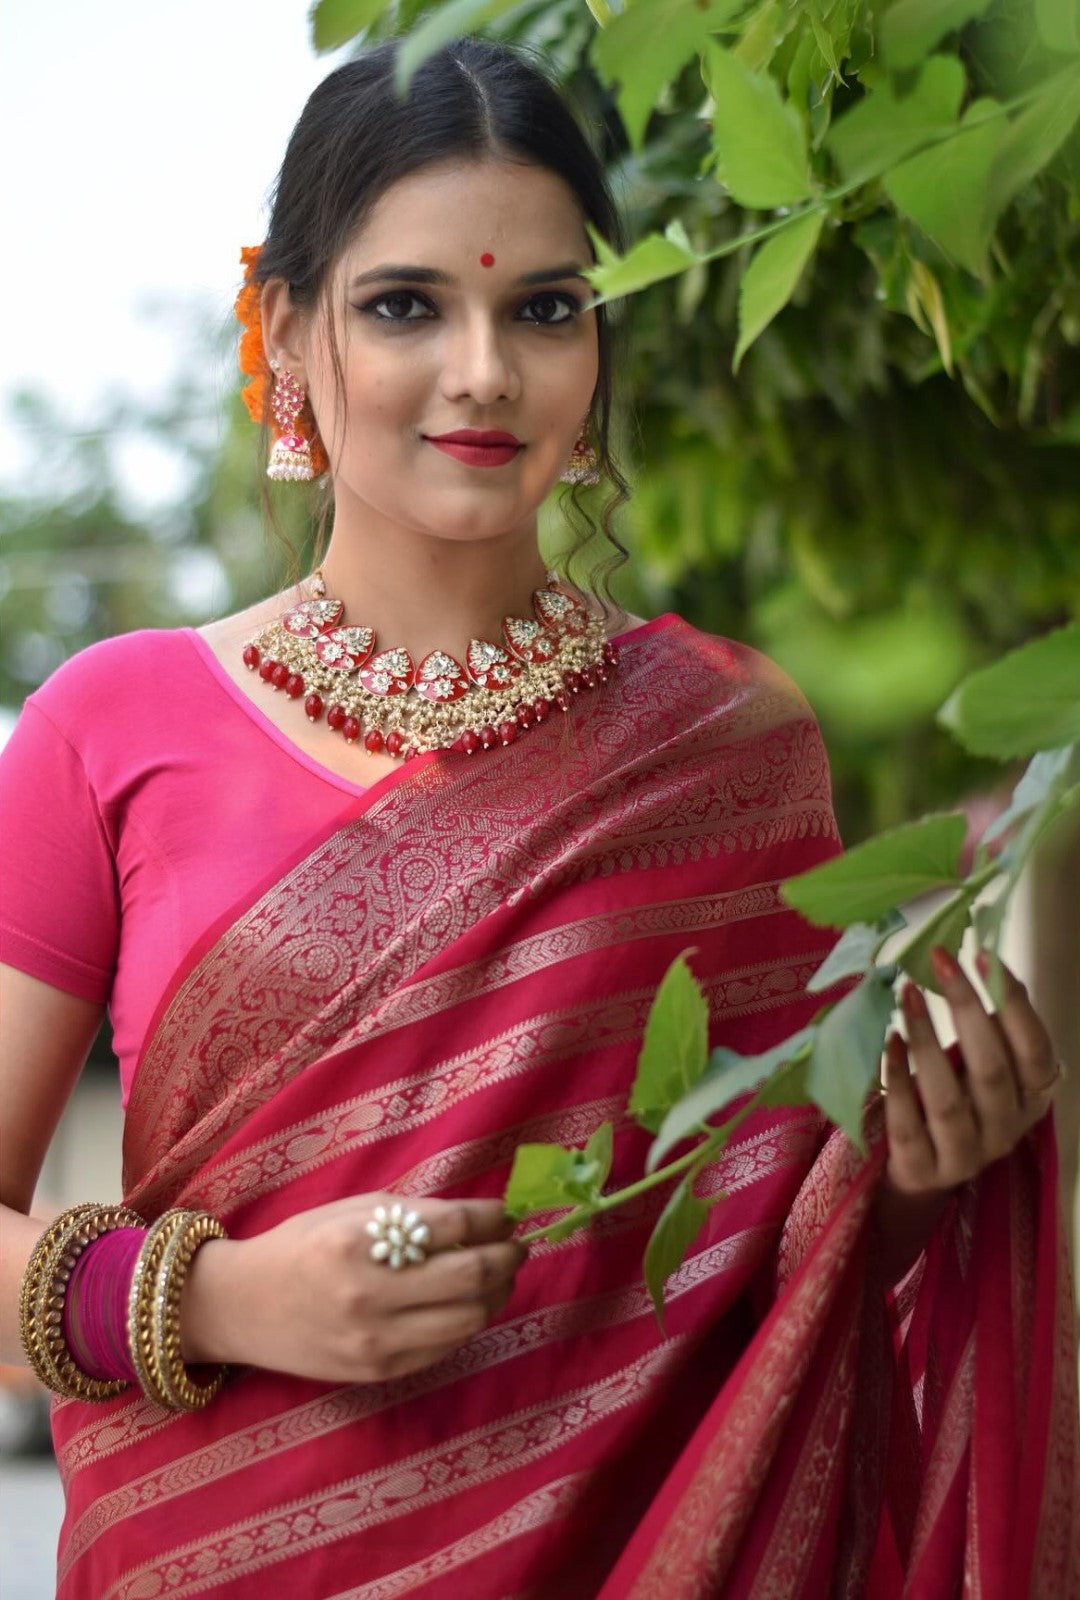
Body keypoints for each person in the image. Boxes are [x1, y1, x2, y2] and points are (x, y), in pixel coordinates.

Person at [0, 36, 1076, 1600]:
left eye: (546, 309)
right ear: (289, 335)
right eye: (406, 305)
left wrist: (919, 1170)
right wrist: (222, 1300)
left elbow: (751, 1260)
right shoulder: (112, 726)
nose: (486, 368)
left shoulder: (725, 743)